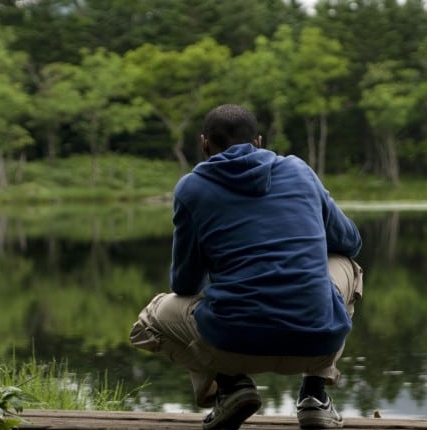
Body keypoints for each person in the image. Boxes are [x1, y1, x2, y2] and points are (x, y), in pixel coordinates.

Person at [130, 104, 363, 430]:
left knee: (152, 318)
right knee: (347, 265)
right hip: (316, 344)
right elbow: (350, 242)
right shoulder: (299, 170)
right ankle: (315, 395)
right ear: (259, 141)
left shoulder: (191, 188)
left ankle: (230, 387)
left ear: (204, 144)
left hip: (231, 345)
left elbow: (185, 284)